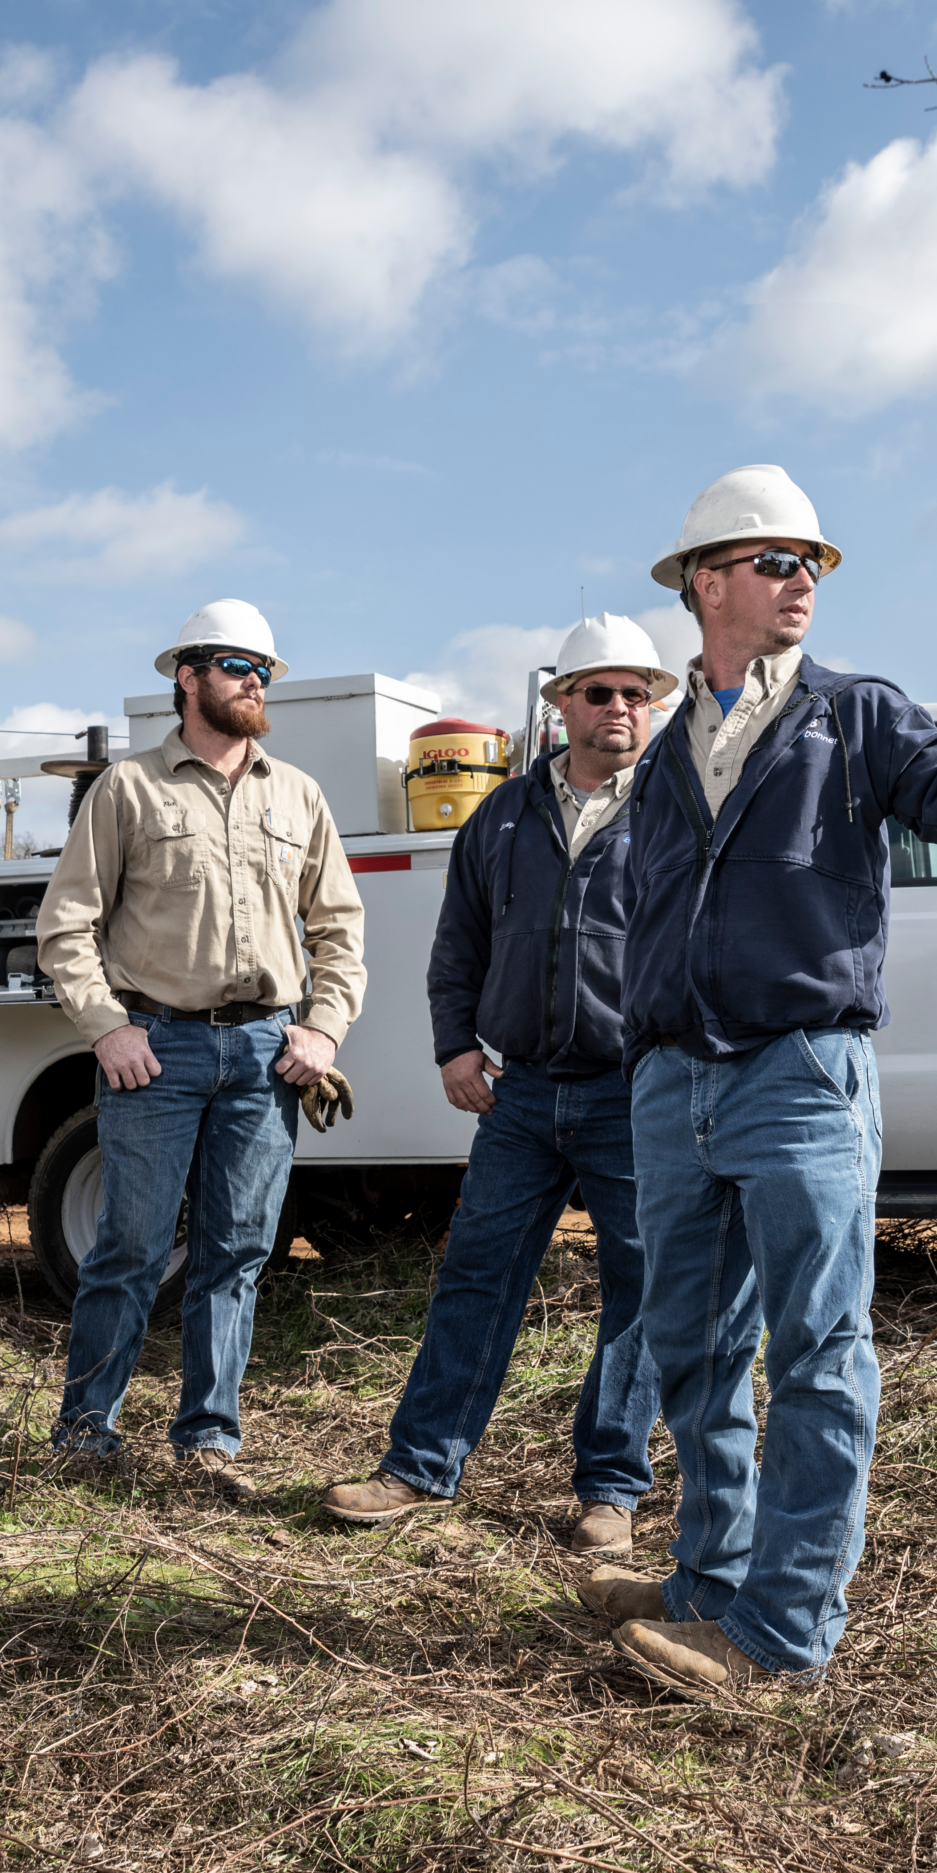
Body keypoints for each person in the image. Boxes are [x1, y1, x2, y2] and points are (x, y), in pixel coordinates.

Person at [597, 464, 937, 1697]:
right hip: (672, 1085)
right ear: (704, 581)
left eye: (812, 564)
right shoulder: (663, 744)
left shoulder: (856, 714)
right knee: (687, 1341)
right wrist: (638, 1039)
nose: (802, 582)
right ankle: (704, 1580)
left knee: (817, 1348)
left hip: (797, 1072)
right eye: (778, 560)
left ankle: (779, 1634)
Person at [322, 615, 671, 1544]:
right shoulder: (503, 815)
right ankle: (420, 1469)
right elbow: (457, 948)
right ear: (562, 704)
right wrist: (454, 1046)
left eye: (638, 692)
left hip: (631, 1095)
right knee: (476, 1277)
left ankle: (609, 1492)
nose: (620, 707)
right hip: (519, 1095)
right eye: (600, 691)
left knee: (637, 1292)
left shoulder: (675, 809)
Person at [36, 598, 367, 1493]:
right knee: (132, 1247)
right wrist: (107, 1030)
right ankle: (85, 1436)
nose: (255, 681)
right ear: (188, 676)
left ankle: (208, 1443)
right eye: (235, 666)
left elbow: (339, 928)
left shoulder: (298, 795)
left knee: (237, 1253)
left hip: (266, 1053)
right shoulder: (130, 789)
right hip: (159, 1047)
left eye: (264, 669)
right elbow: (65, 928)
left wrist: (323, 1027)